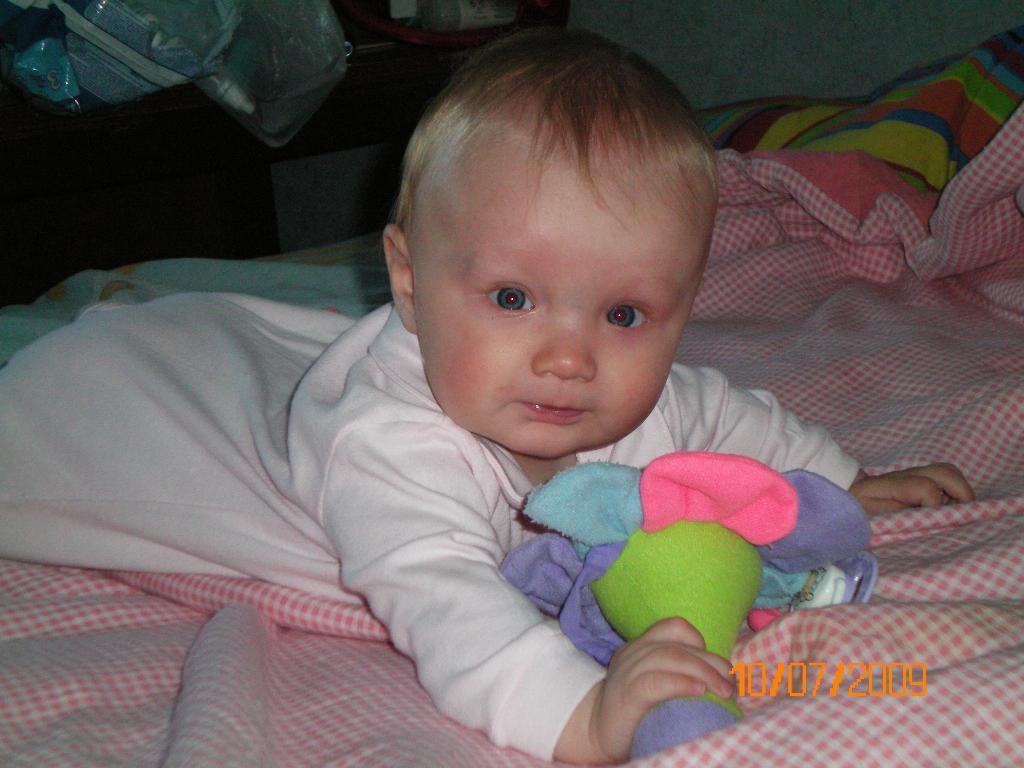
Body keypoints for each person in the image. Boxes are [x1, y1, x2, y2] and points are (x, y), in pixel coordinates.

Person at [0, 28, 973, 765]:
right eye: (512, 298)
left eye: (625, 313)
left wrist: (840, 478)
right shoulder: (390, 451)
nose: (569, 359)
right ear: (409, 279)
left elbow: (717, 412)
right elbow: (450, 606)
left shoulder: (610, 387)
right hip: (92, 426)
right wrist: (581, 712)